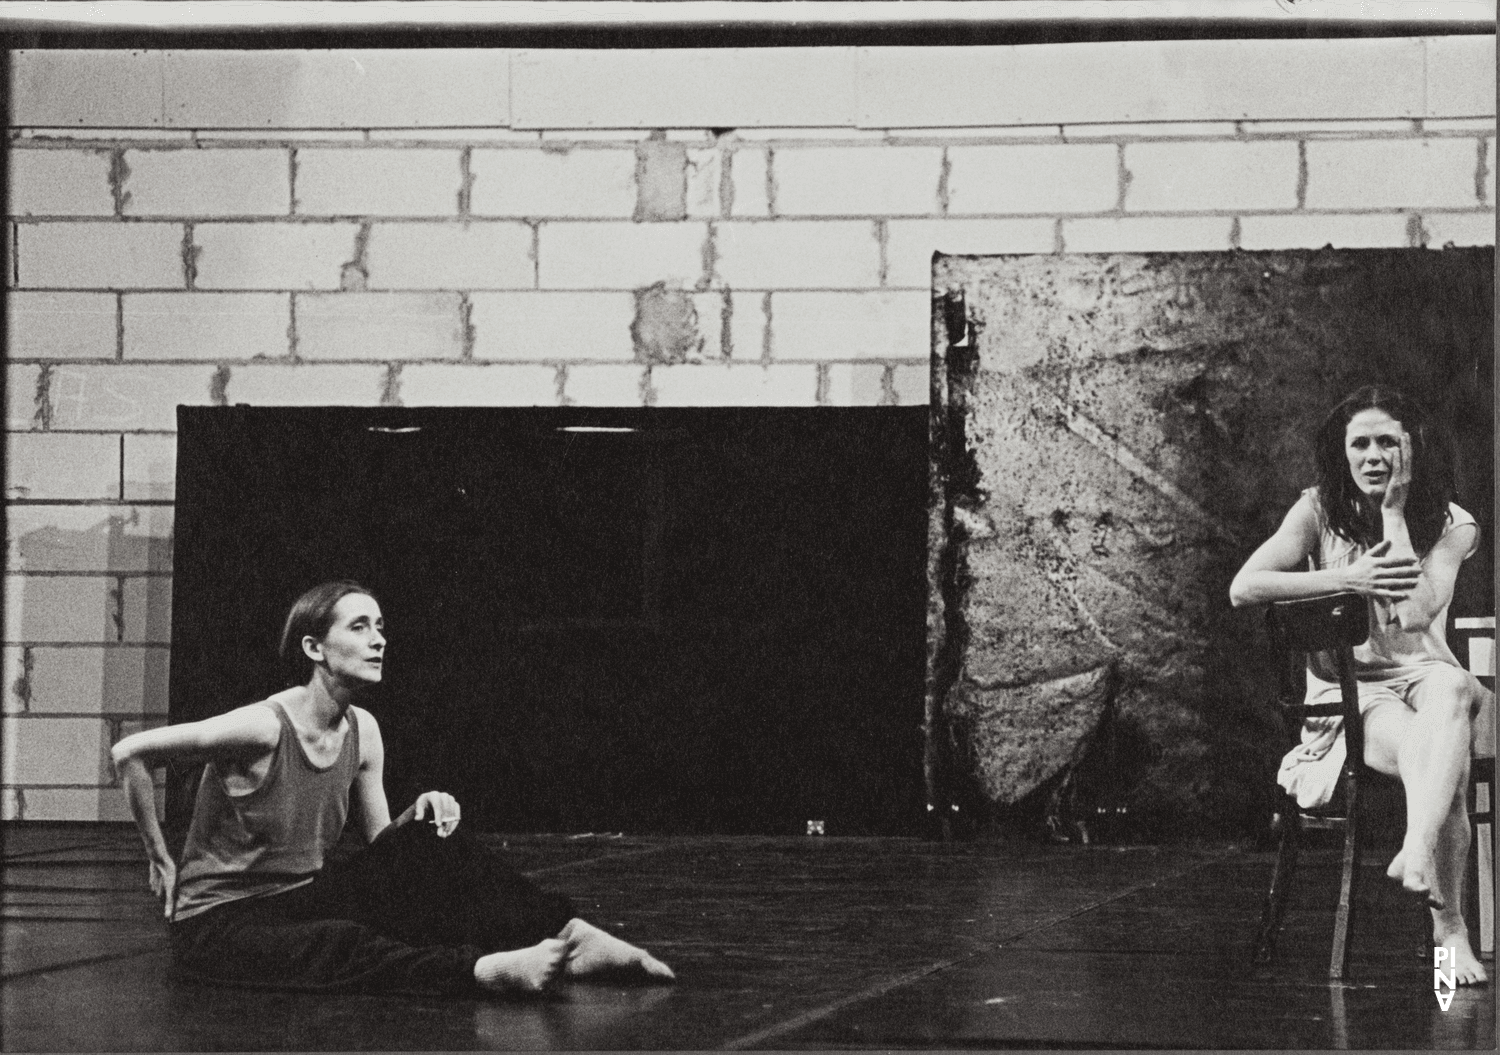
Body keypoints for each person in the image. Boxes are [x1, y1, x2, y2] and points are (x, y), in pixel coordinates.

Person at [111, 580, 676, 998]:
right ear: (315, 648)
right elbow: (130, 753)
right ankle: (482, 972)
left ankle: (568, 934)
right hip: (221, 922)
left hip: (300, 898)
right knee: (340, 942)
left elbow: (388, 851)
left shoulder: (365, 729)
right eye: (359, 627)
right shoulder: (262, 727)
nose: (378, 640)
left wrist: (419, 821)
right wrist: (159, 856)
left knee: (432, 842)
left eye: (380, 626)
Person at [1229, 386, 1490, 986]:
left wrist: (1394, 515)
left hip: (1425, 675)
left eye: (1387, 441)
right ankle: (1449, 931)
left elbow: (1415, 615)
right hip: (1351, 696)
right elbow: (1245, 587)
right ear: (1342, 453)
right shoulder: (1318, 510)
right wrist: (1347, 576)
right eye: (1360, 443)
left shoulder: (1452, 523)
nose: (1374, 455)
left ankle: (1416, 849)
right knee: (1443, 773)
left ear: (1412, 448)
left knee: (1451, 690)